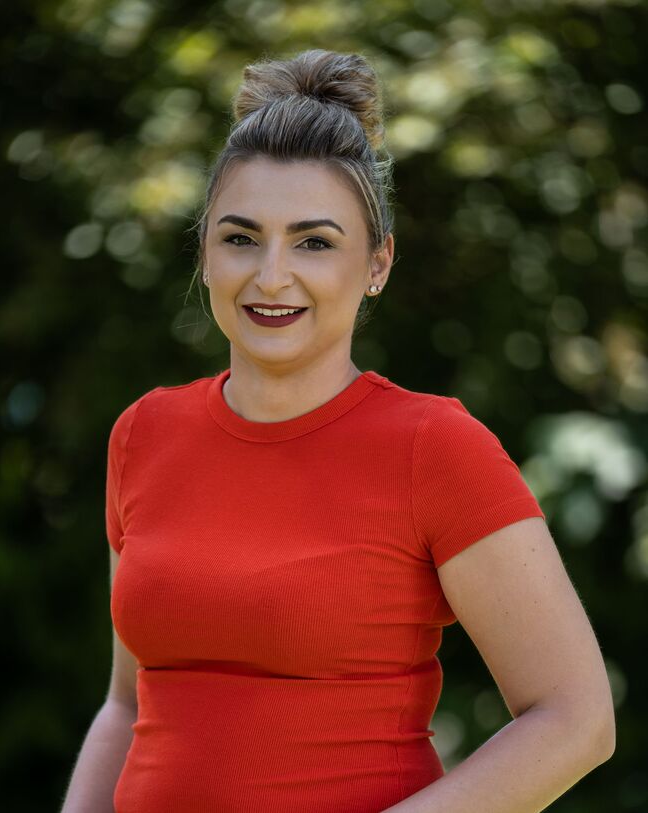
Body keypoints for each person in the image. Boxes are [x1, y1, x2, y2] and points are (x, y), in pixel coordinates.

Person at [61, 49, 615, 813]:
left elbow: (575, 718)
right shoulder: (145, 433)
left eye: (314, 242)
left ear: (378, 262)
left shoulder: (433, 447)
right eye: (241, 237)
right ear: (206, 253)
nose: (271, 275)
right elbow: (128, 702)